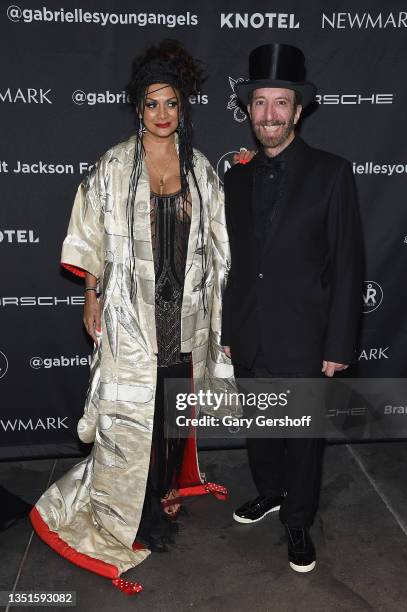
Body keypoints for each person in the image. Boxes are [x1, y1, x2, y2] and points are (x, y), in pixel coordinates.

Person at [29, 39, 241, 593]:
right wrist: (91, 294)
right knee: (130, 418)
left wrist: (221, 318)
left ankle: (167, 488)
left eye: (172, 103)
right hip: (130, 316)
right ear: (138, 108)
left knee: (173, 406)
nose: (163, 114)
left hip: (183, 315)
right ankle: (131, 509)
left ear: (183, 107)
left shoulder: (199, 170)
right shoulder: (115, 166)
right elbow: (92, 236)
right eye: (152, 103)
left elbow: (219, 249)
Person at [221, 43, 363, 573]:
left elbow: (348, 264)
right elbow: (235, 263)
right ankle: (271, 492)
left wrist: (338, 345)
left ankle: (298, 520)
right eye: (260, 103)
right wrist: (230, 326)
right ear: (249, 110)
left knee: (303, 437)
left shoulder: (332, 173)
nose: (270, 115)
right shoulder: (235, 179)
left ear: (298, 110)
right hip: (251, 332)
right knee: (260, 427)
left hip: (307, 336)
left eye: (281, 103)